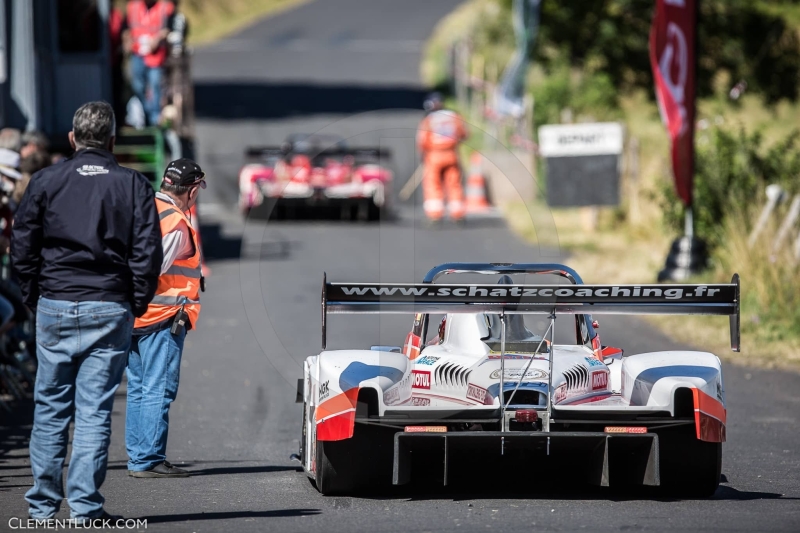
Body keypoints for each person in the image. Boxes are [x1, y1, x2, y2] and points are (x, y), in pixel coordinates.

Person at [11, 101, 163, 520]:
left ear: (73, 138)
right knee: (94, 410)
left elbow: (22, 244)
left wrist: (32, 293)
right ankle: (84, 507)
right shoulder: (132, 184)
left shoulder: (46, 180)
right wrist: (136, 300)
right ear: (113, 140)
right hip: (109, 304)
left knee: (50, 407)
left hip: (56, 303)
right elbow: (148, 252)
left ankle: (41, 507)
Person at [126, 158, 204, 478]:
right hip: (163, 315)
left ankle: (137, 455)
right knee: (159, 387)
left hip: (134, 316)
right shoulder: (174, 220)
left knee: (139, 386)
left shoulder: (143, 208)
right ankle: (148, 458)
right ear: (193, 190)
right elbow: (151, 270)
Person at [416, 92, 469, 224]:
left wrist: (422, 155)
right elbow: (464, 133)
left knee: (433, 184)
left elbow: (422, 140)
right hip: (451, 154)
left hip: (434, 155)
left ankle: (435, 215)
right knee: (454, 183)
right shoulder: (454, 116)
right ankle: (457, 214)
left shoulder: (428, 119)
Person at [122, 0, 175, 127]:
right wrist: (126, 41)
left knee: (155, 85)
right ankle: (146, 112)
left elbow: (170, 28)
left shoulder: (165, 7)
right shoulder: (133, 7)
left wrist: (158, 38)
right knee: (137, 86)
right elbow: (126, 29)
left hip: (156, 56)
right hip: (137, 54)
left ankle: (154, 118)